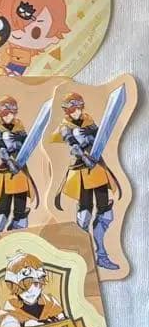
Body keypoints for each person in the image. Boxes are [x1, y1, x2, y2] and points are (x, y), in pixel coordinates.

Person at [51, 92, 122, 270]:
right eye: (72, 109)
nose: (75, 112)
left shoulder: (89, 120)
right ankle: (82, 255)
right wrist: (84, 156)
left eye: (78, 108)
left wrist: (93, 141)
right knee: (85, 213)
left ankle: (102, 256)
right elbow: (72, 145)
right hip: (81, 172)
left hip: (97, 170)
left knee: (105, 213)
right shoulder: (65, 126)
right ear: (67, 111)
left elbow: (101, 137)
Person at [0, 96, 38, 232]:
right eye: (7, 113)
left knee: (20, 207)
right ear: (0, 113)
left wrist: (23, 139)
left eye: (12, 113)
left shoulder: (19, 125)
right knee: (3, 207)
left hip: (20, 170)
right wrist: (9, 162)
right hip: (4, 171)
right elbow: (0, 148)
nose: (10, 116)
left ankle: (18, 231)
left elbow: (28, 144)